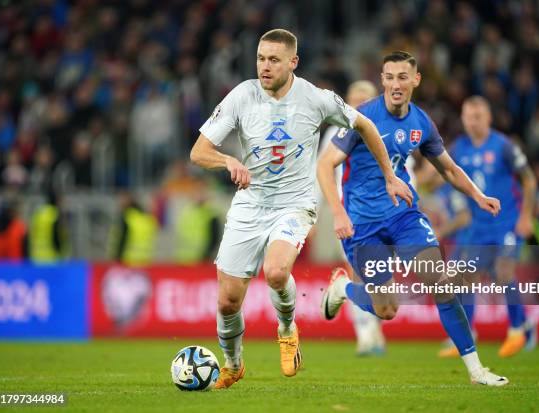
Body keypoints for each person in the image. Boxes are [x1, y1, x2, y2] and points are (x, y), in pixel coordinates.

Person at [190, 29, 412, 389]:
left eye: (274, 59)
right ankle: (233, 364)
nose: (265, 66)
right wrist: (227, 160)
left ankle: (287, 329)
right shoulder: (241, 96)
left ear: (293, 62)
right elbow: (198, 151)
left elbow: (366, 124)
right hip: (250, 204)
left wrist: (389, 174)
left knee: (276, 272)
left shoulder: (316, 99)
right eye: (261, 58)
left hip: (294, 204)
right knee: (229, 301)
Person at [318, 51, 509, 386]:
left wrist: (478, 196)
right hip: (362, 224)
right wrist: (337, 212)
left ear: (415, 80)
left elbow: (447, 168)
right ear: (382, 80)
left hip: (404, 215)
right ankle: (342, 288)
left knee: (441, 282)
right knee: (387, 310)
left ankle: (477, 370)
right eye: (389, 77)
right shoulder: (361, 117)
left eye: (402, 77)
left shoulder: (421, 122)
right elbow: (324, 165)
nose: (395, 84)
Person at [441, 96, 538, 358]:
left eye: (478, 116)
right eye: (469, 116)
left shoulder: (504, 146)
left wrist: (526, 216)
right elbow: (444, 172)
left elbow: (529, 180)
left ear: (489, 118)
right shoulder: (459, 149)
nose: (473, 121)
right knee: (466, 280)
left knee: (503, 273)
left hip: (506, 223)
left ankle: (517, 330)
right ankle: (468, 334)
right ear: (462, 119)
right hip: (477, 229)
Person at [319, 80, 387, 356]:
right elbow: (321, 170)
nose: (359, 103)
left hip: (387, 213)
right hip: (349, 213)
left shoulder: (384, 130)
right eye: (354, 97)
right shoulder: (336, 131)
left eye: (365, 98)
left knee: (379, 277)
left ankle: (374, 332)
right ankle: (365, 334)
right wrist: (313, 214)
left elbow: (404, 171)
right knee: (360, 272)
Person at [110, 192, 158, 266]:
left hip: (127, 261)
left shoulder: (127, 217)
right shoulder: (146, 218)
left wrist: (116, 259)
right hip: (145, 261)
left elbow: (122, 240)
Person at [28, 191, 67, 262]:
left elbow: (31, 234)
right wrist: (61, 254)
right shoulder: (55, 214)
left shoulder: (39, 213)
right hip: (52, 258)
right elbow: (56, 236)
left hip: (36, 257)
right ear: (56, 200)